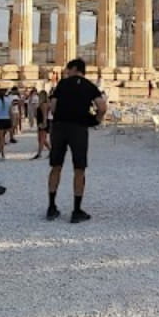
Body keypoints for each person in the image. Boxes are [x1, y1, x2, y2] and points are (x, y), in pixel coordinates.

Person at [46, 58, 107, 223]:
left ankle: (51, 207)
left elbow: (53, 106)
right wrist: (96, 120)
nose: (66, 72)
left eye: (68, 69)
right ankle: (76, 210)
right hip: (79, 128)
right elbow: (102, 107)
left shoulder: (62, 84)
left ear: (74, 69)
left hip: (59, 127)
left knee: (56, 166)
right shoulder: (89, 86)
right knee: (79, 168)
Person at [31, 89, 51, 159]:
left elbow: (45, 115)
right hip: (41, 122)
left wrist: (44, 123)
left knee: (42, 139)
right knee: (41, 139)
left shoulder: (43, 104)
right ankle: (51, 151)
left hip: (42, 122)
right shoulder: (43, 104)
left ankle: (39, 153)